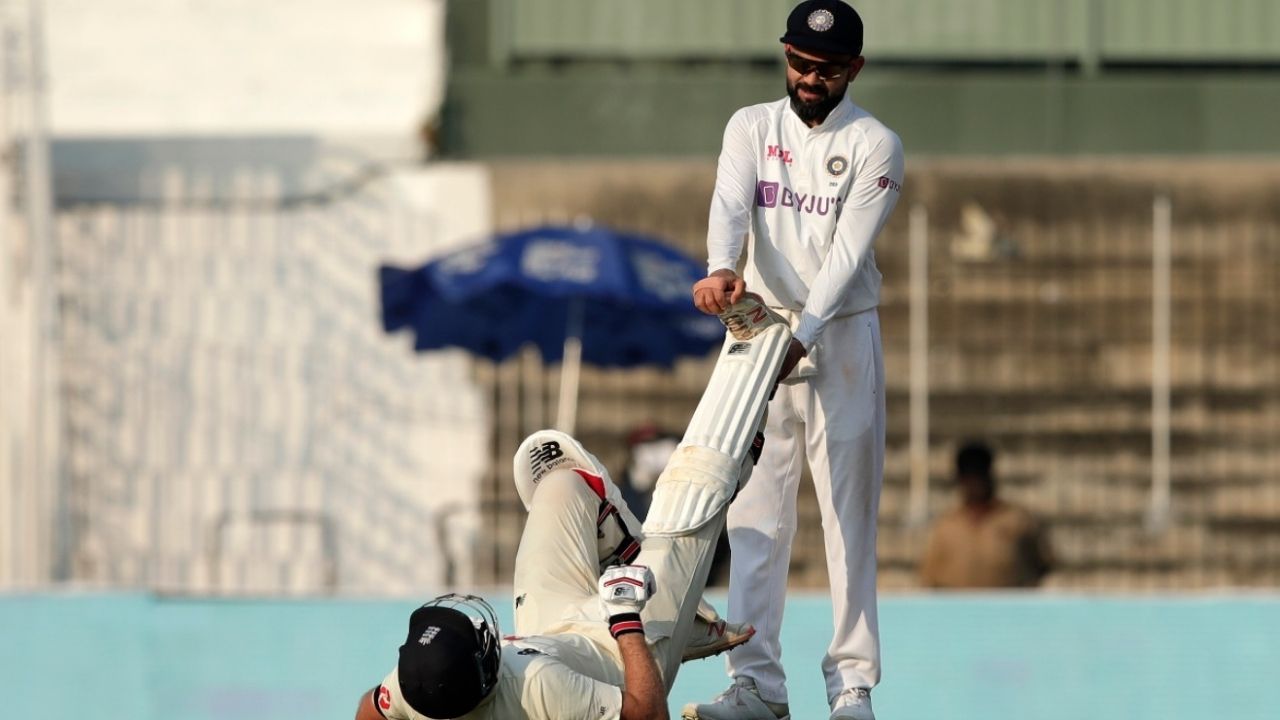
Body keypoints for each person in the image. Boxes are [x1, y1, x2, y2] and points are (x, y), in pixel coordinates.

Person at [354, 296, 792, 720]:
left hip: (547, 629)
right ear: (482, 679)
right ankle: (758, 341)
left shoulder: (420, 689)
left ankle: (675, 604)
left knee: (556, 474)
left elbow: (370, 707)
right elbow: (649, 714)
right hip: (626, 651)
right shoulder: (541, 689)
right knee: (694, 487)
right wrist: (624, 620)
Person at [684, 2, 905, 719]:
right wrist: (722, 270)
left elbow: (846, 257)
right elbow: (730, 203)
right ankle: (756, 684)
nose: (811, 79)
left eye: (829, 68)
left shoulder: (875, 143)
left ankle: (851, 685)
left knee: (848, 516)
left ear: (855, 69)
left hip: (838, 337)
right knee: (754, 515)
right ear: (784, 56)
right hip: (757, 333)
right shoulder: (750, 125)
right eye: (801, 64)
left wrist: (802, 335)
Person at [919, 442, 1054, 589]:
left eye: (979, 474)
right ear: (960, 480)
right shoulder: (946, 525)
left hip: (1009, 608)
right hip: (958, 609)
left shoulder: (1019, 520)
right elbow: (930, 576)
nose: (974, 482)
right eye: (968, 476)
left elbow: (1044, 563)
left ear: (989, 474)